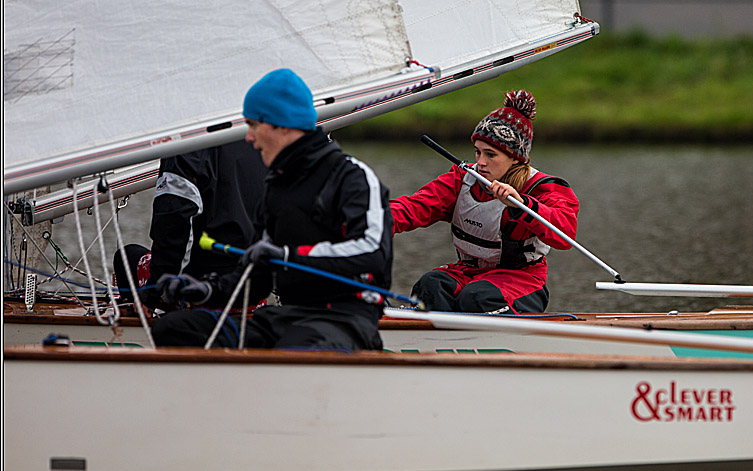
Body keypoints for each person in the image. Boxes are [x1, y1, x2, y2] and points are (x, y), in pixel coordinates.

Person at [150, 68, 393, 351]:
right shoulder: (276, 186)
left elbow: (372, 252)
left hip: (345, 320)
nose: (249, 138)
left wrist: (289, 255)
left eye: (253, 125)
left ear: (282, 125)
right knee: (173, 329)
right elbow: (259, 278)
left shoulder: (352, 177)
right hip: (290, 316)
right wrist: (207, 290)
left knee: (296, 345)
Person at [391, 90, 579, 314]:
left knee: (477, 299)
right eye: (477, 152)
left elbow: (565, 234)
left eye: (490, 155)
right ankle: (439, 345)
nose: (480, 163)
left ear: (515, 158)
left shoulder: (544, 187)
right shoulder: (461, 179)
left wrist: (523, 205)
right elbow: (414, 208)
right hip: (467, 273)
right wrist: (370, 220)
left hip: (521, 281)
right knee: (428, 288)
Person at [112, 142, 266, 298]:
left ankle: (148, 312)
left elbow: (174, 226)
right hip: (253, 278)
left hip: (208, 282)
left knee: (126, 257)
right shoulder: (259, 139)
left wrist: (155, 291)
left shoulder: (185, 148)